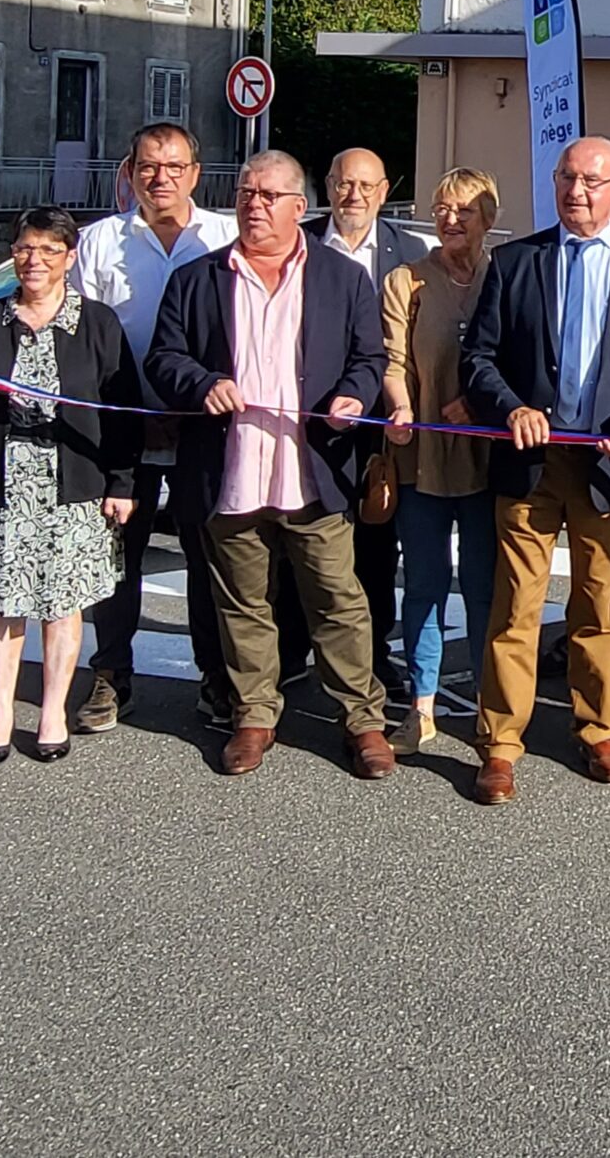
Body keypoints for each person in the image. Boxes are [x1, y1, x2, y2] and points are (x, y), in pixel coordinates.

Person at [144, 150, 396, 782]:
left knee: (338, 600)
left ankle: (363, 720)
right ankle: (254, 714)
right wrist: (201, 382)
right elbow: (163, 358)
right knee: (243, 604)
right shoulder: (198, 279)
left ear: (298, 206)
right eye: (246, 194)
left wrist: (355, 397)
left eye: (268, 196)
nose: (254, 205)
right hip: (230, 470)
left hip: (312, 468)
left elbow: (370, 358)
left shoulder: (342, 278)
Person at [459, 136, 610, 804]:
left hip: (607, 465)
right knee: (517, 608)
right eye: (566, 177)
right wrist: (510, 407)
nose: (576, 190)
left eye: (592, 180)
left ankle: (597, 728)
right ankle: (500, 741)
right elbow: (479, 359)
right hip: (532, 462)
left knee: (597, 606)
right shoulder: (515, 262)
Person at [0, 208, 141, 763]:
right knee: (5, 607)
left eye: (50, 251)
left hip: (73, 484)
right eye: (26, 249)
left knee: (62, 605)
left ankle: (53, 710)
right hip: (2, 481)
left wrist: (121, 483)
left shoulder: (96, 324)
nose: (35, 261)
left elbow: (123, 412)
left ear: (70, 259)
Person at [70, 121, 239, 734]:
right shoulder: (97, 243)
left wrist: (187, 404)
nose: (160, 178)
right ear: (130, 171)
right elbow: (81, 343)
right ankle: (111, 676)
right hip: (121, 431)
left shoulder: (226, 235)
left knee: (209, 559)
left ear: (195, 173)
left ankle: (214, 678)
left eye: (173, 167)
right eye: (147, 166)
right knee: (116, 562)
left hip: (203, 427)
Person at [381, 168, 502, 754]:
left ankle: (486, 704)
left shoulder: (504, 276)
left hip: (484, 455)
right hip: (422, 454)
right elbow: (392, 361)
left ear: (489, 219)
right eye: (442, 209)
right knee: (424, 583)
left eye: (464, 211)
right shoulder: (407, 280)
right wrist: (401, 408)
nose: (450, 220)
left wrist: (479, 403)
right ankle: (421, 705)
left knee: (483, 585)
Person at [316, 147, 429, 696]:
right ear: (328, 187)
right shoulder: (304, 242)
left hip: (385, 423)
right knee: (307, 533)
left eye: (365, 186)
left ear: (385, 192)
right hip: (314, 418)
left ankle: (374, 649)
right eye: (343, 184)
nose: (353, 196)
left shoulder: (411, 252)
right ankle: (300, 648)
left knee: (378, 542)